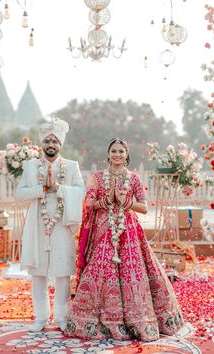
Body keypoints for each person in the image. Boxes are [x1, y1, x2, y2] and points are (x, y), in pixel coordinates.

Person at [65, 137, 184, 341]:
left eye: (121, 151)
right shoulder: (97, 177)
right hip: (103, 233)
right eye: (114, 151)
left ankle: (138, 321)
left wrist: (126, 201)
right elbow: (89, 203)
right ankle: (96, 321)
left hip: (129, 234)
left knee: (133, 275)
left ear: (126, 155)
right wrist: (106, 201)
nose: (117, 154)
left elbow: (144, 207)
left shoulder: (134, 178)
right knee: (99, 273)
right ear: (108, 154)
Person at [16, 117, 85, 332]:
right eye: (47, 141)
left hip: (62, 223)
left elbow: (81, 191)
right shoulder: (29, 167)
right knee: (39, 273)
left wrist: (58, 188)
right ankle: (41, 317)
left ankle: (62, 318)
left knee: (63, 272)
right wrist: (41, 190)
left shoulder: (72, 167)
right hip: (38, 224)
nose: (51, 145)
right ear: (42, 143)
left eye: (55, 141)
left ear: (60, 144)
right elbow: (19, 194)